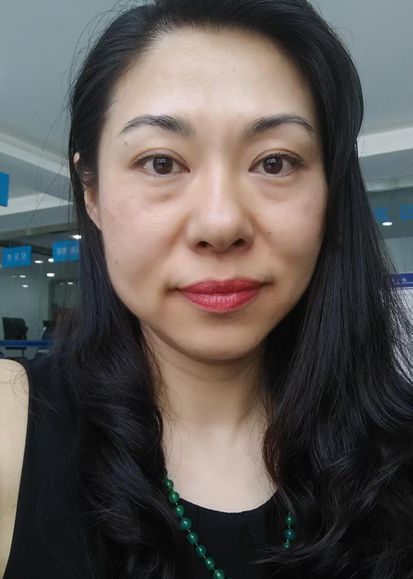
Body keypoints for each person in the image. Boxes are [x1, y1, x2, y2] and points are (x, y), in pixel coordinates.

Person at [1, 0, 412, 577]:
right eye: (161, 163)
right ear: (91, 191)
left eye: (275, 162)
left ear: (329, 192)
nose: (220, 224)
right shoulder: (10, 425)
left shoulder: (398, 451)